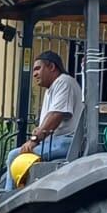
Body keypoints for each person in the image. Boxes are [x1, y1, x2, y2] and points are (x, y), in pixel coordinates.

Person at [6, 51, 84, 187]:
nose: (34, 74)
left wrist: (34, 140)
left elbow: (55, 116)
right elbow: (51, 119)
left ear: (52, 67)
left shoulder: (63, 82)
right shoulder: (53, 88)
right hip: (57, 141)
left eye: (38, 68)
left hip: (67, 142)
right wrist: (40, 130)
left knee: (14, 156)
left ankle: (6, 200)